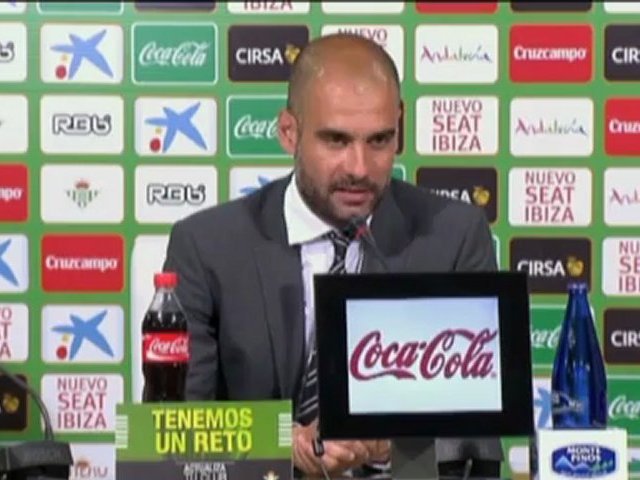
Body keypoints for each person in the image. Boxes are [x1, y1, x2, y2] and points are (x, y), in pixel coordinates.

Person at [163, 33, 499, 477]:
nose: (359, 168)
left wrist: (391, 445)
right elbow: (170, 431)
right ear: (289, 132)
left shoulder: (454, 237)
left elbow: (478, 441)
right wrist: (282, 442)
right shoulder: (207, 246)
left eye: (379, 141)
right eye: (336, 141)